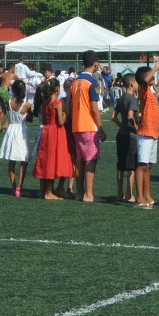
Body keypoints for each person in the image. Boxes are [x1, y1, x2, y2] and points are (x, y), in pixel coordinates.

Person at [69, 50, 107, 203]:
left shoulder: (75, 82)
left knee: (79, 159)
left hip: (76, 125)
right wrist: (101, 127)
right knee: (91, 159)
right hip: (89, 125)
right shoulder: (92, 83)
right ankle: (89, 194)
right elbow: (94, 108)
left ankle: (79, 192)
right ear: (96, 64)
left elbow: (72, 105)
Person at [32, 78, 72, 200]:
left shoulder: (45, 103)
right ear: (57, 89)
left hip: (46, 131)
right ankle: (49, 192)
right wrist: (65, 115)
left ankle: (44, 189)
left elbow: (44, 120)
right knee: (53, 161)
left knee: (46, 159)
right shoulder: (58, 103)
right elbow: (60, 121)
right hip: (56, 133)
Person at [0, 79, 32, 197]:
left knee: (11, 160)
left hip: (11, 130)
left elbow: (7, 112)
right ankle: (19, 188)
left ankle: (13, 187)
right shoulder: (27, 104)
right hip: (21, 131)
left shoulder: (8, 102)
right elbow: (31, 119)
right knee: (24, 160)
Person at [133, 64, 159, 209]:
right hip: (145, 133)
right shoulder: (143, 90)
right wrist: (156, 68)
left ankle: (147, 196)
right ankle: (140, 198)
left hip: (153, 133)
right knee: (142, 165)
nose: (153, 75)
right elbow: (144, 82)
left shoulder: (151, 91)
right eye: (150, 74)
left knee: (148, 166)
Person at [112, 73, 139, 203]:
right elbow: (130, 116)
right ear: (132, 84)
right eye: (137, 82)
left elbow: (113, 116)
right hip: (130, 136)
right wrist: (136, 128)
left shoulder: (121, 97)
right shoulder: (132, 98)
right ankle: (129, 194)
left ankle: (119, 193)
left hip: (121, 134)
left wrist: (121, 126)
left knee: (121, 164)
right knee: (131, 166)